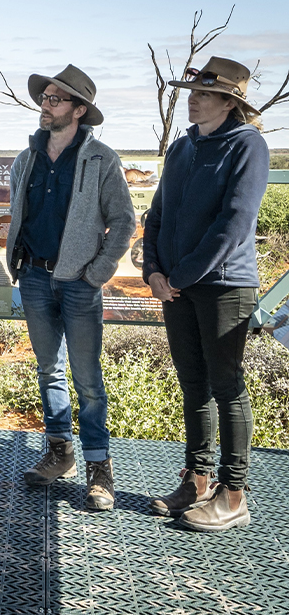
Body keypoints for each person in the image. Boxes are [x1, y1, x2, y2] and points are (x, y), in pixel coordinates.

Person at [143, 56, 269, 532]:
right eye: (191, 92)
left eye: (203, 94)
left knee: (227, 386)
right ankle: (196, 479)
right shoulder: (182, 147)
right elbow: (156, 215)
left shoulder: (247, 145)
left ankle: (233, 494)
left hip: (223, 285)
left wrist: (180, 276)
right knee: (192, 383)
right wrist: (154, 271)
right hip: (175, 286)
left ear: (228, 102)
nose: (191, 99)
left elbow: (233, 225)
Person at [4, 65, 135, 511]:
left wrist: (97, 272)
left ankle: (100, 467)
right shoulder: (27, 158)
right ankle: (60, 454)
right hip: (37, 278)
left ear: (80, 110)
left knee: (88, 380)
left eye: (57, 99)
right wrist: (18, 265)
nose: (46, 104)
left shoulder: (102, 159)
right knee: (49, 371)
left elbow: (124, 221)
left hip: (80, 284)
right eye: (44, 98)